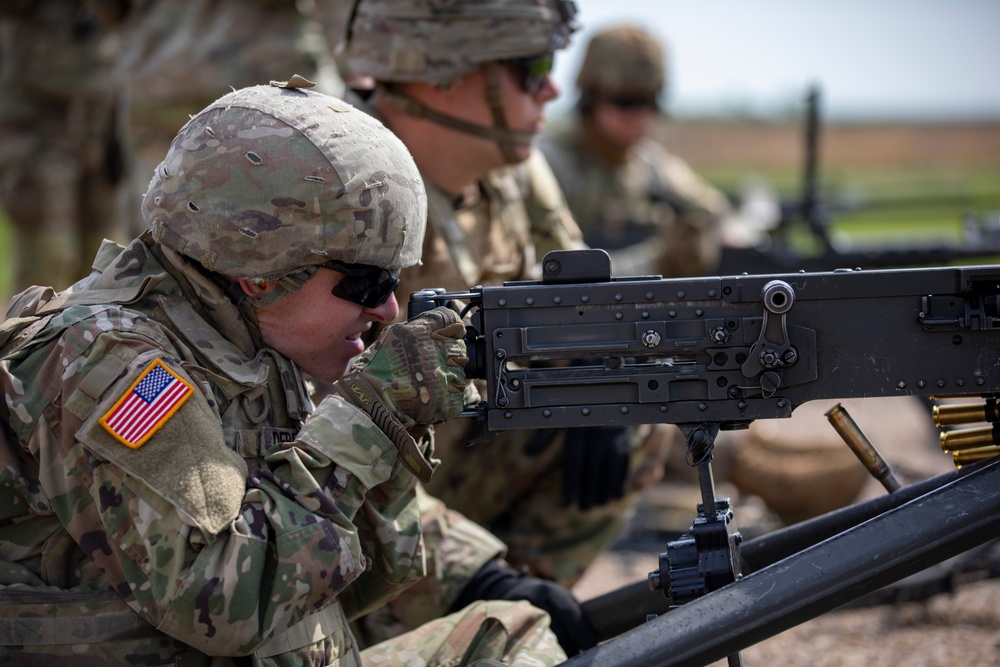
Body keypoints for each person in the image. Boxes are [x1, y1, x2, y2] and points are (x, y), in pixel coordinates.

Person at [0, 80, 569, 665]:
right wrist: (366, 420)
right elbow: (223, 602)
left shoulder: (246, 343)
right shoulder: (114, 368)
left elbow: (353, 586)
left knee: (511, 630)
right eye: (366, 283)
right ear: (261, 274)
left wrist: (390, 433)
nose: (387, 310)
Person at [334, 0, 672, 620]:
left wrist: (594, 379)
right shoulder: (340, 185)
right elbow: (317, 443)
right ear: (443, 72)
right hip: (349, 489)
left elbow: (589, 308)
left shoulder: (516, 168)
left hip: (451, 457)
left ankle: (509, 615)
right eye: (530, 67)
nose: (552, 88)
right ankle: (411, 616)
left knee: (633, 408)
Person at [539, 24, 731, 278]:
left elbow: (711, 209)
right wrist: (657, 263)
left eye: (648, 102)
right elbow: (548, 277)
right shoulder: (549, 164)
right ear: (590, 99)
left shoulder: (649, 163)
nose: (638, 116)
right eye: (624, 101)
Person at [0, 0, 135, 300]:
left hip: (100, 116)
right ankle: (27, 343)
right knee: (48, 256)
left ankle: (83, 344)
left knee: (102, 262)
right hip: (35, 119)